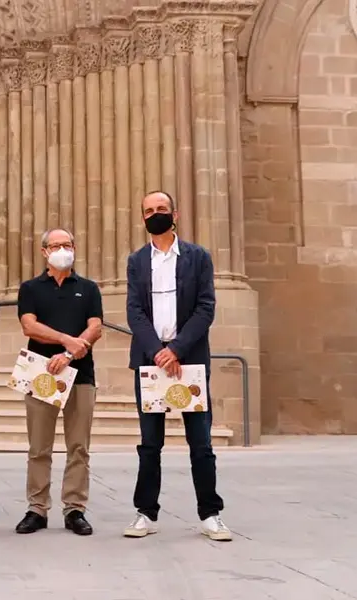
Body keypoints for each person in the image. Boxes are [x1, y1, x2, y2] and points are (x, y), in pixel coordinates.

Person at [124, 191, 230, 542]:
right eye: (149, 211)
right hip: (151, 362)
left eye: (161, 209)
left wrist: (177, 349)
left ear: (175, 214)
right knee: (150, 442)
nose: (155, 214)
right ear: (142, 218)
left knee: (200, 441)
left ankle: (210, 513)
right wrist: (157, 350)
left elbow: (205, 307)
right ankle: (146, 513)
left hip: (189, 362)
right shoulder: (137, 261)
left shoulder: (198, 257)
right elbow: (135, 311)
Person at [14, 228, 103, 537]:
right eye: (56, 245)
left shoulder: (89, 288)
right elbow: (30, 325)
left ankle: (74, 508)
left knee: (79, 446)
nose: (62, 249)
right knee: (39, 446)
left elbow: (95, 326)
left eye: (67, 244)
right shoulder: (31, 288)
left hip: (81, 375)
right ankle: (36, 508)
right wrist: (67, 342)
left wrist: (70, 353)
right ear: (44, 252)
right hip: (41, 374)